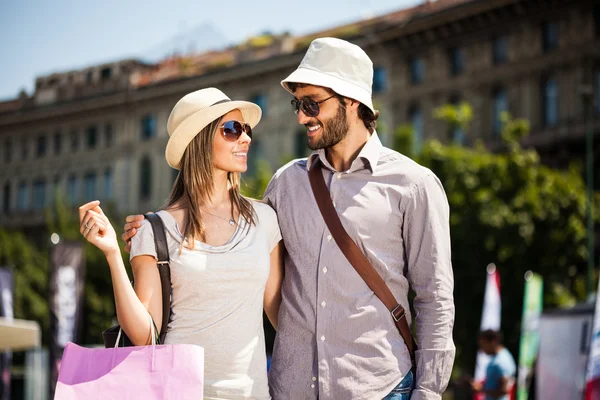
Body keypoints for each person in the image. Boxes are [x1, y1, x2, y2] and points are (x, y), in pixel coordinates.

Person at [124, 37, 455, 400]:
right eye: (297, 104)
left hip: (379, 388)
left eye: (311, 103)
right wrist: (155, 232)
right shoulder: (285, 185)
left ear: (351, 100)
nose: (300, 116)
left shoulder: (415, 185)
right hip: (292, 389)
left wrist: (428, 390)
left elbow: (434, 298)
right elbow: (230, 249)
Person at [79, 87, 283, 400]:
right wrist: (112, 256)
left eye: (246, 130)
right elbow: (146, 333)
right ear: (199, 140)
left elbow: (282, 314)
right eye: (232, 129)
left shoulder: (265, 219)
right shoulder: (155, 229)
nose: (246, 138)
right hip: (178, 392)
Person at [470, 330, 516, 400]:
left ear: (492, 342)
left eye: (483, 345)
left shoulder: (500, 361)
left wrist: (481, 389)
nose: (482, 349)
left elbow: (504, 390)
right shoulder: (504, 355)